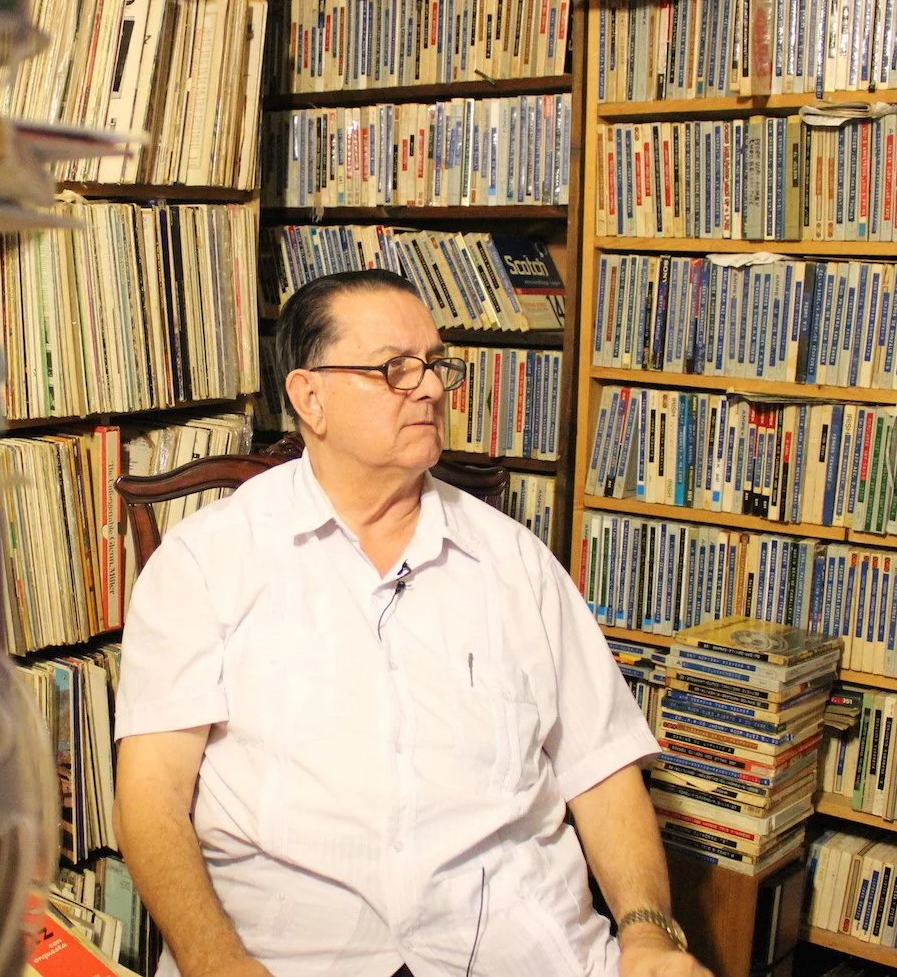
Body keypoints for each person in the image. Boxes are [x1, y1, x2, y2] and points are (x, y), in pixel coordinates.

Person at [112, 270, 711, 977]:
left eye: (434, 365)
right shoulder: (206, 561)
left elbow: (602, 771)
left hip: (513, 946)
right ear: (311, 397)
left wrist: (647, 934)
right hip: (285, 953)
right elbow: (151, 797)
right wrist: (216, 961)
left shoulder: (515, 562)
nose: (427, 387)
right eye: (394, 368)